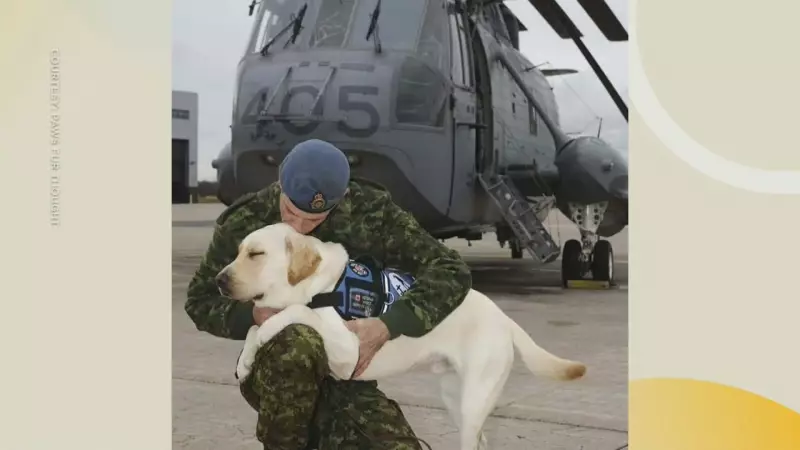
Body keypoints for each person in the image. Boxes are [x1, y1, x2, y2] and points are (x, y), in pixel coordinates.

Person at [184, 139, 472, 450]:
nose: (300, 225)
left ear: (341, 198)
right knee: (297, 342)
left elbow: (450, 270)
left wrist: (389, 324)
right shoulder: (246, 221)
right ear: (280, 184)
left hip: (344, 373)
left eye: (314, 218)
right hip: (281, 367)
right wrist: (252, 315)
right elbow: (200, 300)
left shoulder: (370, 211)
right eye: (291, 212)